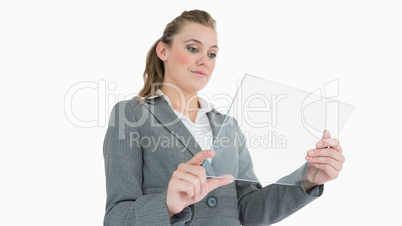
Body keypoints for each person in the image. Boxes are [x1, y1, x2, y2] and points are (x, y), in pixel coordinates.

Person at [103, 10, 345, 225]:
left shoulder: (227, 125)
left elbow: (248, 210)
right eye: (192, 48)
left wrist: (308, 178)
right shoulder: (132, 114)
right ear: (163, 50)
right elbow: (116, 217)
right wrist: (166, 205)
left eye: (212, 54)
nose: (204, 61)